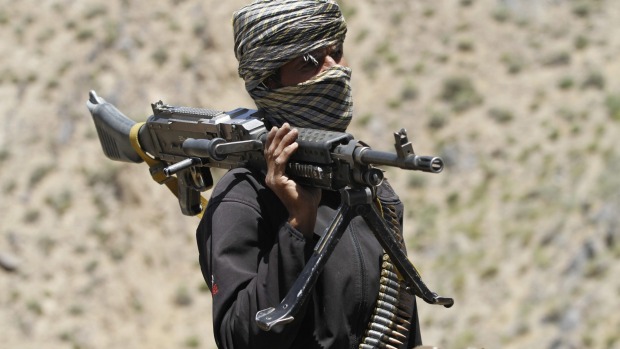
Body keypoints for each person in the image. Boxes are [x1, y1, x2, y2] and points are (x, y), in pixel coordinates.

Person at [196, 1, 423, 348]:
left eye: (337, 53)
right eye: (310, 62)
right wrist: (298, 226)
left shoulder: (368, 187)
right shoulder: (243, 197)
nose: (334, 70)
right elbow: (239, 337)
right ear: (269, 81)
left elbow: (397, 317)